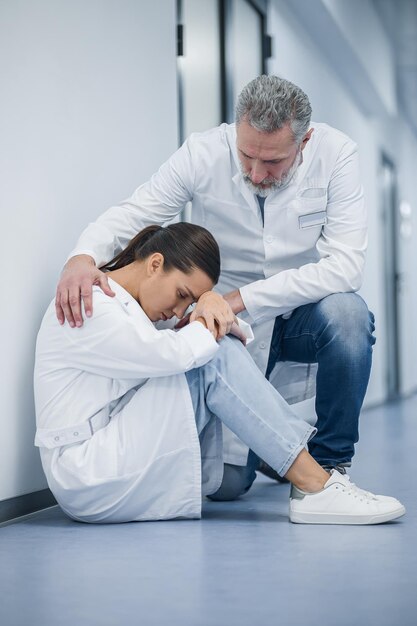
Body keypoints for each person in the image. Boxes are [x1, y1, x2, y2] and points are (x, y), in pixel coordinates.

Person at [55, 75, 376, 500]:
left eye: (274, 162)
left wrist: (240, 299)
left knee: (349, 314)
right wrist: (82, 256)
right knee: (225, 487)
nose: (257, 173)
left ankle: (330, 467)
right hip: (225, 321)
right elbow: (136, 211)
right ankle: (267, 452)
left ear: (305, 141)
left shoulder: (336, 155)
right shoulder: (202, 153)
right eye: (247, 156)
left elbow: (346, 266)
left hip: (298, 314)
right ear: (236, 129)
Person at [35, 223, 405, 524]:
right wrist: (209, 312)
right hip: (88, 472)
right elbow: (181, 353)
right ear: (154, 264)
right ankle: (315, 485)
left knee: (214, 351)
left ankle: (309, 476)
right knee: (211, 356)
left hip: (116, 448)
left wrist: (210, 303)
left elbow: (217, 337)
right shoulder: (92, 303)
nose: (179, 309)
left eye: (189, 301)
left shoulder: (132, 309)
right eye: (182, 294)